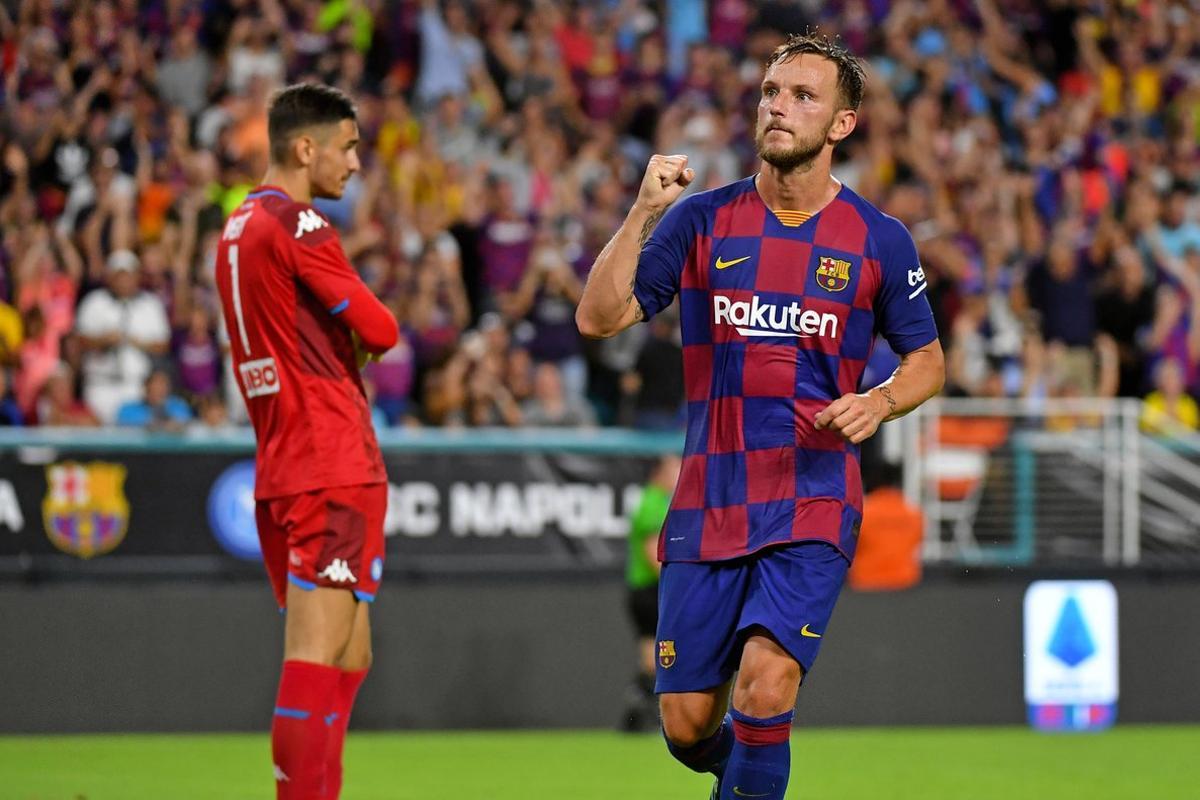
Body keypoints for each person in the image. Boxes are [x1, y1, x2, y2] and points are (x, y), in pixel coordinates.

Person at [576, 33, 945, 800]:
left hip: (811, 494)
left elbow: (928, 362)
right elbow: (600, 318)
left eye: (803, 96)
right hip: (710, 495)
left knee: (767, 687)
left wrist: (878, 401)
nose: (779, 106)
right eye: (772, 92)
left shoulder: (879, 239)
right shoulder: (702, 220)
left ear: (841, 125)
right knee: (684, 725)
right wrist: (645, 210)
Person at [214, 83, 399, 800]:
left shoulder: (237, 226)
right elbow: (382, 329)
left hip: (285, 458)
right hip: (329, 460)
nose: (356, 163)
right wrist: (359, 337)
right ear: (305, 147)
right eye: (348, 147)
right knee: (317, 654)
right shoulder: (300, 224)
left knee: (353, 651)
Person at [620, 453, 681, 732]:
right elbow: (652, 554)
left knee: (651, 658)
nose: (679, 474)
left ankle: (638, 707)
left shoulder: (655, 501)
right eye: (674, 468)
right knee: (665, 656)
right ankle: (659, 715)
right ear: (659, 472)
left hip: (641, 590)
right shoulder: (654, 504)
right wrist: (678, 586)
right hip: (650, 590)